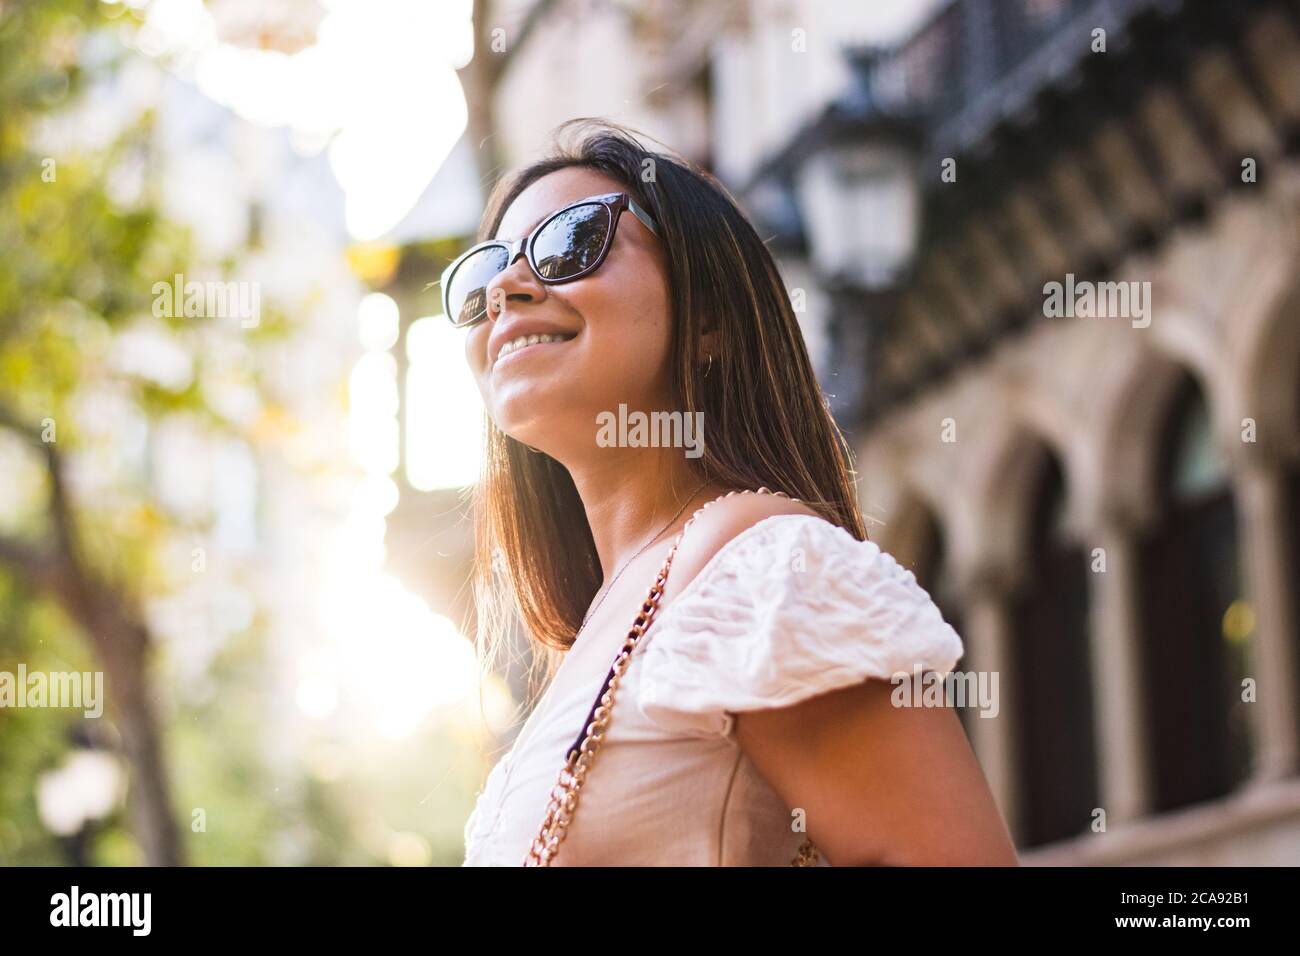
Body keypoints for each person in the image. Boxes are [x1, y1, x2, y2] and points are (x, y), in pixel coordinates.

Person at [448, 118, 1017, 866]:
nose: (508, 290)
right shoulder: (593, 635)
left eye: (569, 242)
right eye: (485, 272)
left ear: (708, 316)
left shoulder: (758, 565)